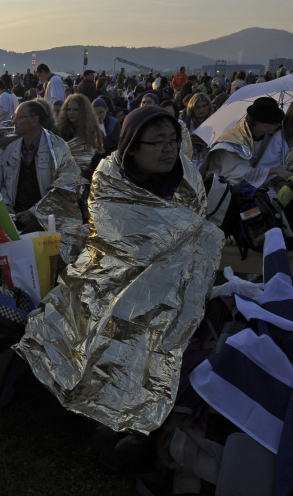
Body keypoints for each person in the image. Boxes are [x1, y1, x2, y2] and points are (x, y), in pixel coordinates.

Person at [15, 106, 223, 467]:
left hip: (173, 284)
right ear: (131, 146)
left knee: (165, 325)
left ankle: (135, 425)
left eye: (172, 140)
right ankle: (109, 418)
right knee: (111, 319)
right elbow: (124, 240)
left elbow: (193, 236)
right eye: (156, 142)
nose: (168, 149)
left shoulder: (187, 176)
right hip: (107, 273)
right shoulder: (110, 178)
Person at [1, 101, 79, 232]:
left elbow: (63, 189)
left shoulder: (58, 148)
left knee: (28, 234)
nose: (13, 122)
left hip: (46, 215)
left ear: (34, 120)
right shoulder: (11, 149)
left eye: (18, 117)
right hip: (15, 213)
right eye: (13, 117)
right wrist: (6, 204)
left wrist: (33, 212)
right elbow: (2, 182)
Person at [200, 96, 291, 186]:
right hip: (222, 190)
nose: (278, 124)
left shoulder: (266, 134)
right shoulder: (233, 144)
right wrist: (274, 170)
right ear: (258, 123)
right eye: (273, 122)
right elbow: (240, 176)